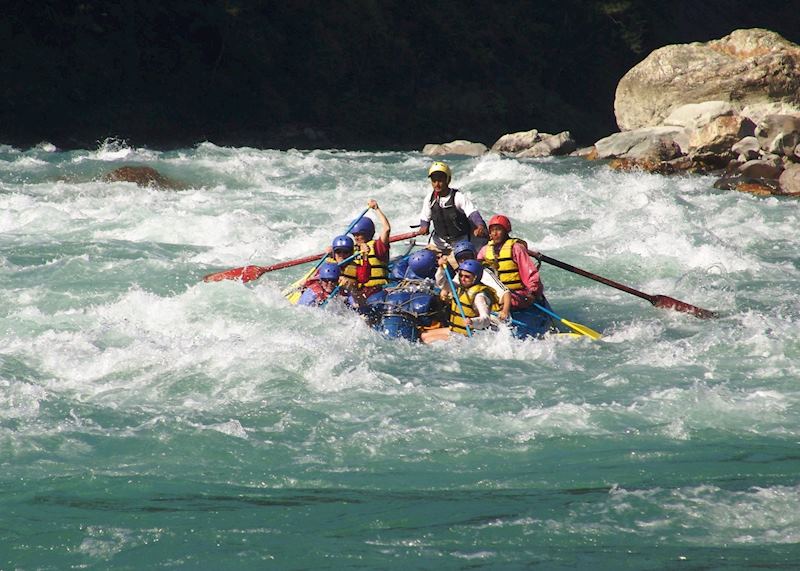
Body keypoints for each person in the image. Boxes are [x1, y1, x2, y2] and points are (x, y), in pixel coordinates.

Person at [421, 259, 499, 343]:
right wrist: (441, 268)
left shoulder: (479, 296)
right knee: (423, 335)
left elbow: (486, 319)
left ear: (476, 277)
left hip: (468, 337)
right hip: (456, 331)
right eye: (461, 275)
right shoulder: (458, 287)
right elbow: (442, 283)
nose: (463, 279)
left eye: (467, 276)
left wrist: (472, 321)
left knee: (428, 340)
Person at [416, 161, 488, 252]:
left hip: (460, 242)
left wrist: (480, 226)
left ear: (448, 180)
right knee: (421, 260)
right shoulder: (429, 199)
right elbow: (425, 218)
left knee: (463, 263)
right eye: (434, 181)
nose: (437, 184)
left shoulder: (458, 197)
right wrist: (424, 227)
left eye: (440, 180)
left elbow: (472, 213)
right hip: (438, 242)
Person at [477, 214, 544, 310]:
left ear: (506, 231)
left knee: (507, 301)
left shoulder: (516, 248)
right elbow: (475, 269)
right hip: (496, 294)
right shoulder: (485, 250)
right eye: (492, 230)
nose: (495, 233)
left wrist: (532, 293)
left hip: (517, 294)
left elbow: (529, 272)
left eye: (498, 229)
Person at [435, 239, 513, 320]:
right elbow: (443, 284)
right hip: (473, 315)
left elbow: (506, 292)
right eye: (460, 259)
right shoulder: (461, 275)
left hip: (490, 314)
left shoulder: (484, 272)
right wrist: (441, 269)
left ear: (474, 256)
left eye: (467, 257)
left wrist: (505, 311)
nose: (465, 261)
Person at [351, 198, 391, 302]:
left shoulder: (378, 246)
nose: (356, 238)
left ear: (367, 233)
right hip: (359, 291)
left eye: (359, 234)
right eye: (354, 235)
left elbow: (386, 229)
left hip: (376, 291)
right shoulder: (353, 250)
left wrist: (377, 209)